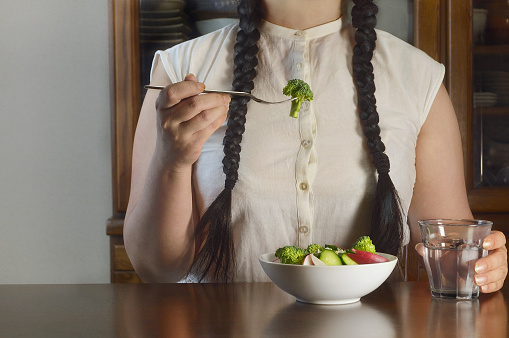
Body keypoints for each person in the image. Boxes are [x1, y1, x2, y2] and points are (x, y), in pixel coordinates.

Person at [124, 0, 507, 290]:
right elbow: (157, 267)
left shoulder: (418, 78)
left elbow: (450, 250)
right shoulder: (180, 71)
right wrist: (172, 162)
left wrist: (482, 264)